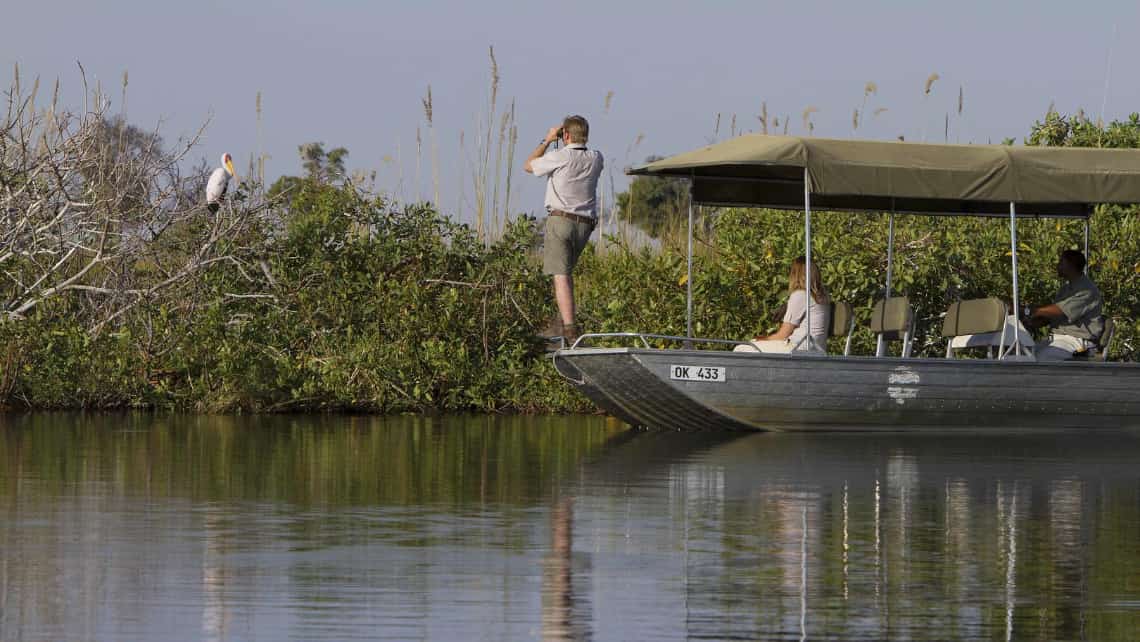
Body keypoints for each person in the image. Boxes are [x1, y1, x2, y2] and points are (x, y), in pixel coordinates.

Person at [524, 115, 604, 345]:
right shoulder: (596, 158)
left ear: (566, 135)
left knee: (561, 276)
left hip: (561, 221)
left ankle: (569, 331)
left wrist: (548, 140)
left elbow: (528, 166)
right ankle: (562, 322)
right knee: (565, 271)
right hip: (585, 225)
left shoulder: (560, 155)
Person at [734, 256, 830, 354]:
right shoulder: (823, 295)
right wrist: (787, 306)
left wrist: (762, 339)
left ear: (795, 274)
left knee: (742, 348)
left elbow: (782, 335)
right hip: (817, 348)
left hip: (799, 348)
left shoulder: (800, 295)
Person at [1025, 249, 1104, 361]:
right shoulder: (1065, 289)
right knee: (1024, 354)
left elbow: (1060, 310)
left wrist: (1029, 310)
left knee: (1040, 358)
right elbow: (1053, 316)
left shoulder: (1086, 290)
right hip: (1057, 339)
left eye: (1061, 262)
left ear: (1071, 265)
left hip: (1077, 341)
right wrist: (1030, 322)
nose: (1058, 265)